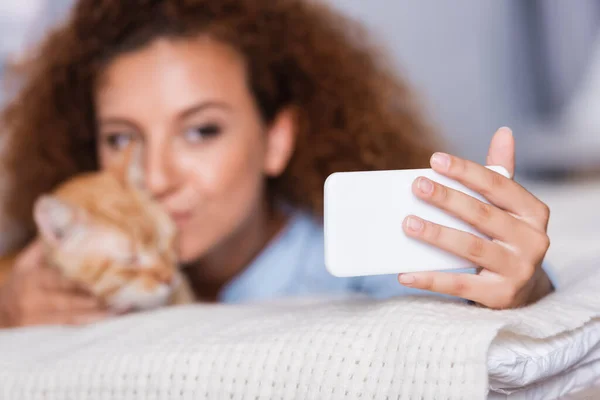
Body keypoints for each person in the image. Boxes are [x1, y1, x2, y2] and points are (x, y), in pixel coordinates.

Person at [0, 0, 554, 328]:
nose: (158, 179)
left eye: (201, 131)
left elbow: (474, 298)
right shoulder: (67, 271)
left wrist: (527, 292)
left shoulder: (353, 265)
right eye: (122, 139)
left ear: (277, 139)